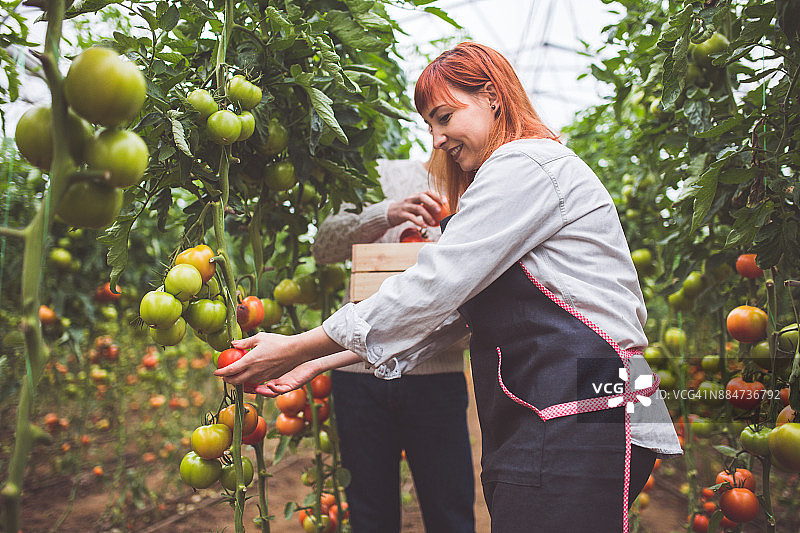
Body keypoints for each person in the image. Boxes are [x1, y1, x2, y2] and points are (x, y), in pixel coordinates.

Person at [216, 42, 682, 532]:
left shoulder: (526, 164)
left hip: (584, 403)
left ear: (492, 97)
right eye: (430, 125)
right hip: (575, 403)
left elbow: (433, 285)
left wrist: (295, 345)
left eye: (444, 117)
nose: (436, 139)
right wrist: (314, 359)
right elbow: (445, 315)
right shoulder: (527, 172)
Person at [309, 156, 476, 533]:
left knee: (450, 510)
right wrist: (385, 214)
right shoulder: (375, 172)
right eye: (435, 119)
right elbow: (324, 246)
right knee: (369, 515)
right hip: (357, 374)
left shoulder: (477, 180)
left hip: (436, 374)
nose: (441, 136)